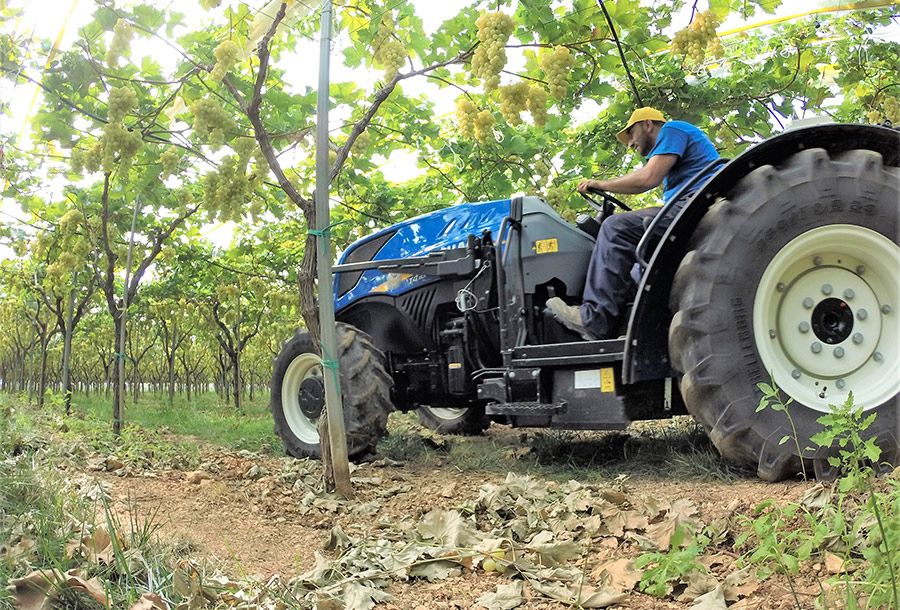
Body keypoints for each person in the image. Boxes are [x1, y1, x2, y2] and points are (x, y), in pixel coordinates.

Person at [546, 107, 720, 340]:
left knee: (614, 228)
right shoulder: (673, 153)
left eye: (631, 133)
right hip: (686, 207)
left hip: (695, 206)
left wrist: (600, 183)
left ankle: (593, 319)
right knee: (638, 266)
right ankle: (635, 330)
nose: (629, 143)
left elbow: (648, 178)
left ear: (648, 124)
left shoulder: (672, 129)